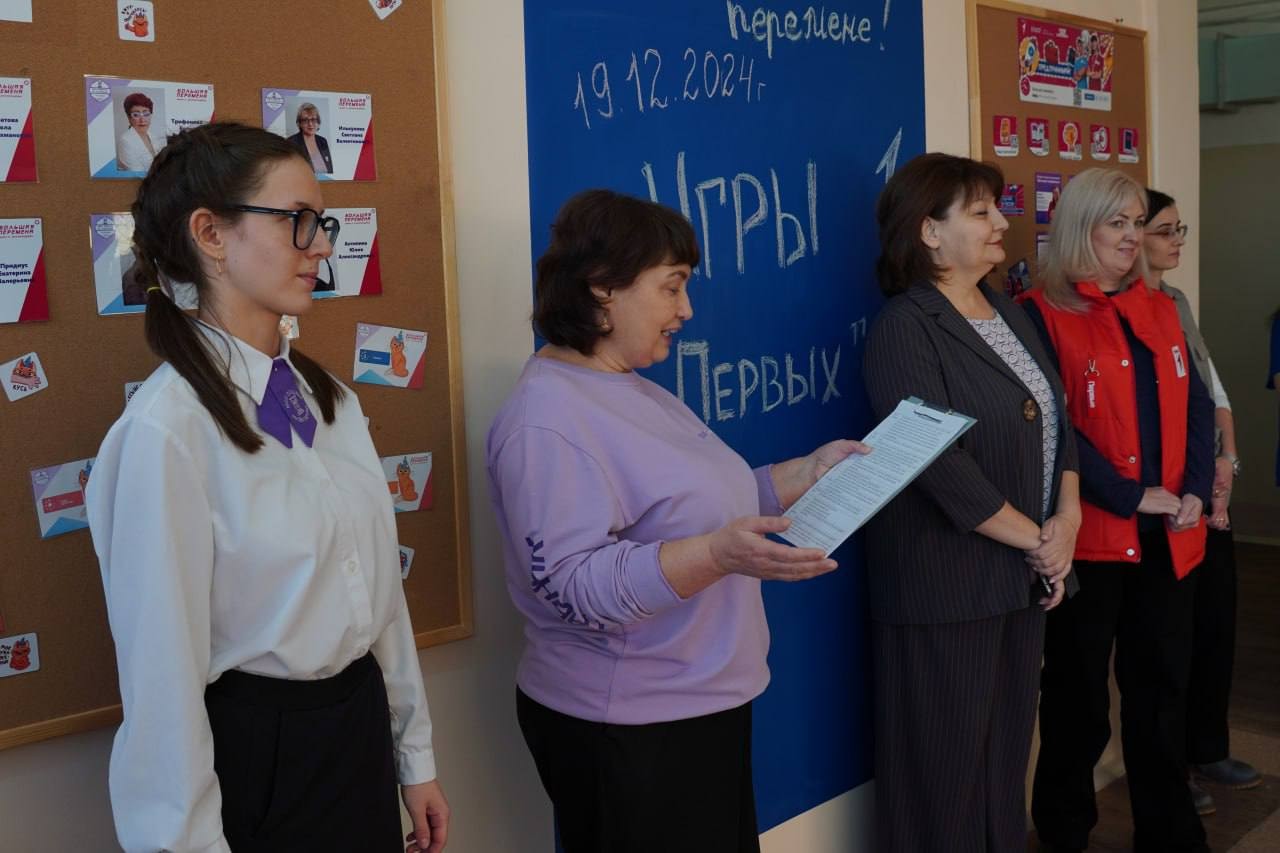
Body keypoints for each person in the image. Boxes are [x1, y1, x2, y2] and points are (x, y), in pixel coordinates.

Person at [85, 122, 448, 853]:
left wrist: (414, 756)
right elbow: (162, 684)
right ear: (211, 234)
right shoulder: (167, 433)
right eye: (297, 221)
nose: (321, 247)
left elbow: (377, 595)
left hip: (356, 731)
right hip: (262, 757)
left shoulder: (329, 400)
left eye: (323, 223)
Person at [486, 189, 868, 853]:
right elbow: (575, 584)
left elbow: (696, 507)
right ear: (603, 287)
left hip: (697, 706)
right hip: (627, 725)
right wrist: (717, 555)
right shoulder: (545, 420)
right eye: (672, 287)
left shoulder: (629, 385)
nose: (686, 309)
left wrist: (801, 474)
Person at [862, 152, 1080, 852]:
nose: (1002, 223)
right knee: (943, 774)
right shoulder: (905, 325)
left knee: (1003, 765)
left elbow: (1057, 419)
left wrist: (1067, 521)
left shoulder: (1007, 310)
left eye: (998, 208)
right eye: (982, 212)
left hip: (1020, 577)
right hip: (945, 585)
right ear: (929, 232)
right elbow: (936, 464)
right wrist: (1039, 541)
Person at [1024, 168, 1214, 853]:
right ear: (1082, 226)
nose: (1133, 237)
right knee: (1076, 703)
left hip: (1171, 535)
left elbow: (1196, 405)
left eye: (1138, 223)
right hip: (1092, 541)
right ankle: (1064, 834)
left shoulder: (1159, 307)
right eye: (1118, 223)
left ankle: (1171, 835)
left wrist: (1196, 488)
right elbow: (1057, 429)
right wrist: (1130, 495)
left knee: (1161, 694)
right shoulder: (1039, 313)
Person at [1144, 188, 1261, 814]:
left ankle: (1207, 746)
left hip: (1208, 488)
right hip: (1166, 496)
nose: (1176, 241)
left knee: (1217, 618)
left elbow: (1212, 391)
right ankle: (1170, 772)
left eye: (1178, 229)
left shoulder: (1177, 301)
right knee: (1169, 641)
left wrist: (1227, 460)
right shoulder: (1121, 308)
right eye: (1164, 230)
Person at [116, 92, 166, 172]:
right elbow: (136, 173)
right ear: (129, 118)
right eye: (136, 115)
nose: (142, 120)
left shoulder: (153, 137)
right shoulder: (125, 141)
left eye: (146, 114)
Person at [287, 102, 333, 175]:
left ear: (318, 122)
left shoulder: (323, 141)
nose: (310, 124)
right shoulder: (291, 142)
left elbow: (330, 168)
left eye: (313, 119)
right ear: (299, 123)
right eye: (305, 120)